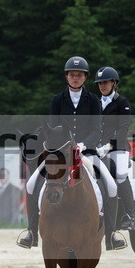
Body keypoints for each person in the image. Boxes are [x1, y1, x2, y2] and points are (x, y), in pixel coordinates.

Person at [17, 56, 102, 249]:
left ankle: (112, 230)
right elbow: (53, 128)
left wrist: (82, 145)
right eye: (72, 75)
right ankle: (31, 232)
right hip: (59, 153)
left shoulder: (93, 101)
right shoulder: (57, 100)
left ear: (85, 78)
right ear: (66, 77)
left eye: (79, 75)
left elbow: (97, 130)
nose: (75, 78)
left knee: (110, 183)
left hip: (85, 151)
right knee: (31, 184)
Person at [94, 66, 135, 251]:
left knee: (119, 174)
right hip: (96, 148)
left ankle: (130, 216)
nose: (103, 85)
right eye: (100, 83)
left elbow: (123, 128)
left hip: (116, 147)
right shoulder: (94, 103)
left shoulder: (122, 103)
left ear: (114, 83)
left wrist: (109, 145)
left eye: (106, 82)